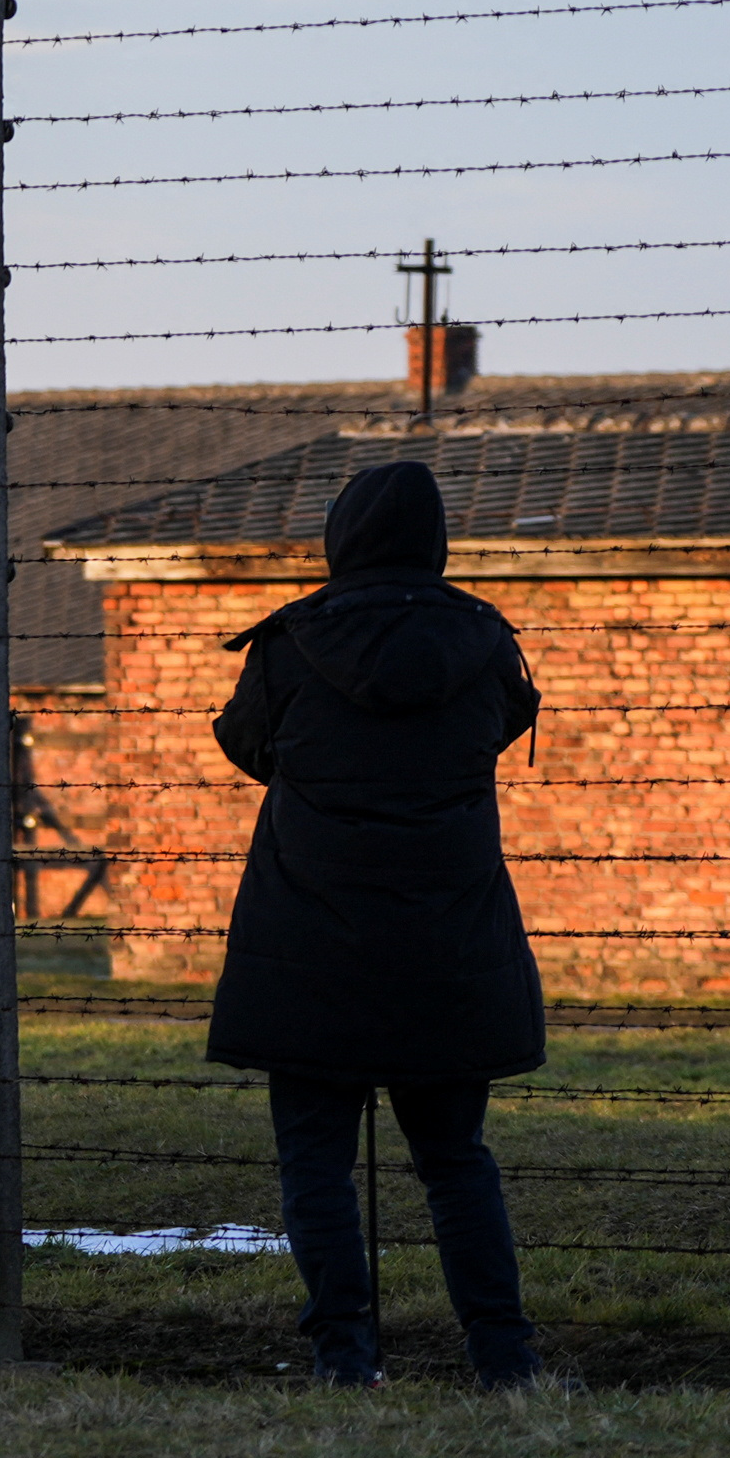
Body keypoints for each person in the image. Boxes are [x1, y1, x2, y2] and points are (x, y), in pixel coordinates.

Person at [207, 457, 550, 1390]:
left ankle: (345, 1360)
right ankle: (504, 1359)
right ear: (435, 540)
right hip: (449, 942)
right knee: (454, 1158)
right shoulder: (486, 641)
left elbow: (244, 744)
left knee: (315, 1159)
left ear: (341, 537)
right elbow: (503, 725)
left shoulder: (289, 644)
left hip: (309, 943)